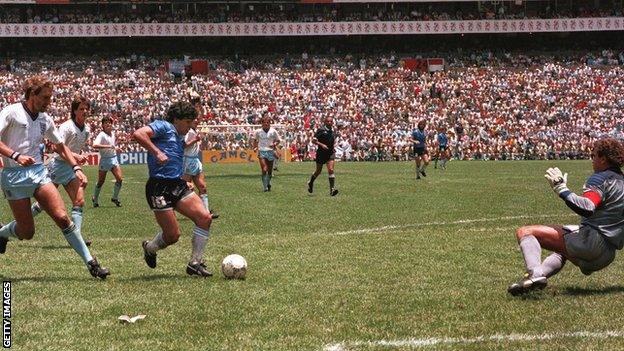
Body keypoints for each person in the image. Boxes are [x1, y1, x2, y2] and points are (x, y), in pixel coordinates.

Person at [0, 75, 109, 279]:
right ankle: (2, 233)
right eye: (46, 98)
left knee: (62, 217)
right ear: (32, 94)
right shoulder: (11, 112)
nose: (49, 102)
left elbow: (60, 146)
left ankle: (92, 264)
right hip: (13, 175)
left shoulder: (45, 119)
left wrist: (76, 168)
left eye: (50, 98)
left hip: (39, 172)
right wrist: (15, 155)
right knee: (27, 232)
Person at [508, 138, 624, 296]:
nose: (592, 160)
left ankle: (535, 275)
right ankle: (535, 279)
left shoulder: (600, 178)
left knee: (525, 232)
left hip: (591, 244)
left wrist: (561, 189)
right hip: (607, 255)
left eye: (594, 155)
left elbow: (587, 207)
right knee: (562, 246)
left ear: (603, 159)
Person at [133, 101, 214, 277]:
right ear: (176, 119)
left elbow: (174, 150)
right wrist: (156, 152)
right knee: (172, 236)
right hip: (158, 187)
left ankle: (195, 263)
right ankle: (150, 248)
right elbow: (138, 134)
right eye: (187, 121)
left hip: (177, 184)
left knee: (205, 218)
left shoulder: (178, 134)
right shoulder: (163, 126)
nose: (190, 125)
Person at [35, 93, 93, 246]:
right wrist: (75, 156)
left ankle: (77, 238)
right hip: (57, 166)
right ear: (74, 111)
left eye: (86, 109)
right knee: (42, 204)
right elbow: (56, 147)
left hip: (70, 168)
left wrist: (77, 159)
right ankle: (15, 224)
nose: (85, 111)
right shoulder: (67, 127)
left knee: (79, 200)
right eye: (81, 109)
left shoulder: (87, 129)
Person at [182, 118, 219, 219]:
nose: (197, 122)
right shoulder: (188, 132)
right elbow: (183, 145)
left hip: (195, 160)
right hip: (188, 161)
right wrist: (196, 139)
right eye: (194, 120)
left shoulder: (194, 131)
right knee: (183, 189)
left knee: (202, 187)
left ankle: (206, 212)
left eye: (197, 120)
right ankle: (170, 209)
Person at [91, 116, 123, 208]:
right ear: (103, 125)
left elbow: (112, 146)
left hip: (113, 158)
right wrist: (108, 146)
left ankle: (115, 198)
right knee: (101, 181)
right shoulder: (101, 134)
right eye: (106, 123)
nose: (108, 124)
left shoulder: (113, 133)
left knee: (119, 179)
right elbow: (95, 145)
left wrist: (117, 149)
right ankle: (95, 199)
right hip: (105, 160)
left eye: (109, 122)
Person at [307, 116, 339, 196]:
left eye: (331, 121)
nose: (329, 123)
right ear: (325, 122)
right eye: (328, 121)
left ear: (333, 122)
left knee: (331, 169)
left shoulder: (332, 131)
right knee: (318, 171)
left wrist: (333, 148)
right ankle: (311, 183)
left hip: (330, 153)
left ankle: (332, 190)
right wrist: (322, 145)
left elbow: (331, 141)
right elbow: (313, 140)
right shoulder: (321, 130)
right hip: (321, 153)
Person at [253, 116, 281, 192]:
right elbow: (255, 140)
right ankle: (265, 187)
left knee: (270, 171)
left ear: (269, 123)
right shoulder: (258, 131)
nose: (266, 123)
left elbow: (278, 140)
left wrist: (274, 144)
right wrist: (255, 147)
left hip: (270, 151)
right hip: (262, 151)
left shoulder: (273, 131)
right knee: (264, 169)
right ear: (262, 123)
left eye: (267, 122)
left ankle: (268, 183)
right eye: (264, 122)